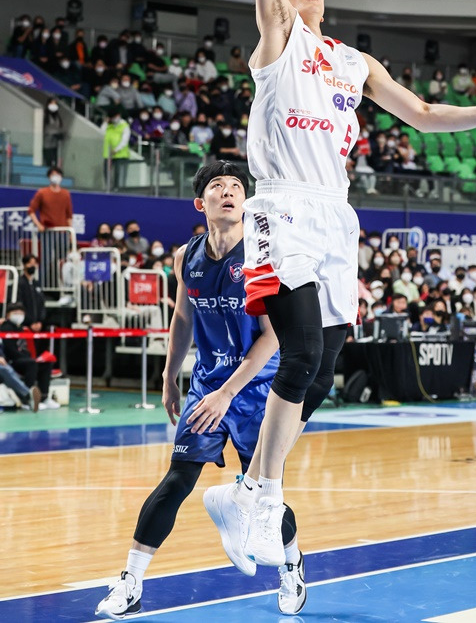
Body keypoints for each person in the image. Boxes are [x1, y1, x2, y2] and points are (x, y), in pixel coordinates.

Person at [200, 0, 476, 574]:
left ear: (327, 4)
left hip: (337, 218)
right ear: (279, 4)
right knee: (302, 344)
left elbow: (419, 114)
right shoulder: (277, 45)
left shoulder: (352, 64)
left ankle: (253, 485)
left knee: (324, 363)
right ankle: (259, 492)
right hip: (282, 204)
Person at [95, 162, 305, 619]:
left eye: (235, 187)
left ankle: (291, 565)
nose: (228, 192)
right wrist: (171, 375)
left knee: (268, 495)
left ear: (246, 202)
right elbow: (183, 318)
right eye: (217, 187)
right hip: (208, 383)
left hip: (257, 389)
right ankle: (131, 581)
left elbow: (273, 338)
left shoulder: (259, 256)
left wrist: (227, 394)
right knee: (177, 478)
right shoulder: (184, 256)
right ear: (201, 203)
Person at [0, 302, 57, 409]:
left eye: (21, 313)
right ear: (8, 315)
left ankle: (43, 397)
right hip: (12, 360)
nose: (19, 315)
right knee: (30, 364)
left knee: (46, 363)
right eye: (15, 313)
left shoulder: (20, 327)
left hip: (21, 358)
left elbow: (24, 348)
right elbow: (10, 350)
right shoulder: (6, 327)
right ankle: (28, 398)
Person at [103, 106, 131, 192]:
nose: (114, 119)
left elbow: (124, 140)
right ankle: (109, 189)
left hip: (121, 155)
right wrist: (105, 123)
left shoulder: (124, 126)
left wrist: (116, 149)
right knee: (106, 174)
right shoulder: (109, 126)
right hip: (108, 155)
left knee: (119, 176)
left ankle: (118, 190)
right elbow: (101, 132)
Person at [42, 98, 65, 168]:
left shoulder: (57, 115)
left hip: (55, 141)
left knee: (55, 159)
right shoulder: (45, 114)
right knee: (48, 160)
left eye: (55, 103)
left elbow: (59, 126)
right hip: (47, 141)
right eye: (52, 103)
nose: (53, 105)